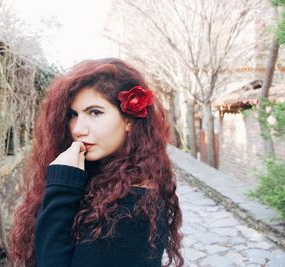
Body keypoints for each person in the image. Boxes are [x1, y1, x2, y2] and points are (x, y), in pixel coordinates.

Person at [9, 58, 183, 267]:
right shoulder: (108, 178)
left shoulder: (133, 205)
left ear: (128, 120)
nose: (77, 129)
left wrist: (61, 187)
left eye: (95, 112)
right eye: (73, 115)